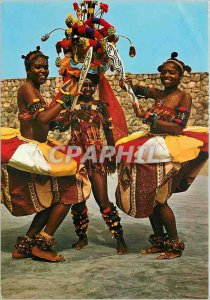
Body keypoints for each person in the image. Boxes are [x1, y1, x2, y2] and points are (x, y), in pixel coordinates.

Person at [1, 46, 91, 262]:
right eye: (38, 67)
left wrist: (70, 114)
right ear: (28, 69)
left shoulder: (35, 91)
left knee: (54, 197)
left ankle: (26, 246)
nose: (43, 71)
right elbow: (42, 119)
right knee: (72, 187)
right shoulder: (26, 89)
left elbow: (52, 123)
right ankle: (42, 243)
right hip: (32, 151)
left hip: (40, 147)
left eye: (45, 67)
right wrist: (63, 96)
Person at [117, 52, 208, 259]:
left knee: (160, 199)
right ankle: (159, 241)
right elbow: (137, 90)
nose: (167, 75)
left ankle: (174, 244)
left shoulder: (184, 97)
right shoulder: (159, 94)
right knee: (151, 197)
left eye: (172, 72)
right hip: (151, 146)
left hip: (169, 150)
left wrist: (146, 116)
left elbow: (178, 128)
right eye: (164, 71)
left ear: (180, 75)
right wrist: (127, 83)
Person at [57, 72, 128, 255]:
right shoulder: (70, 104)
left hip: (96, 155)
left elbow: (108, 132)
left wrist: (111, 155)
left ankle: (119, 238)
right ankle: (82, 237)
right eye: (85, 84)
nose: (88, 88)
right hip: (76, 156)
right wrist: (74, 114)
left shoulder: (100, 106)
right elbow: (62, 126)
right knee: (78, 199)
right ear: (79, 85)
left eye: (91, 85)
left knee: (102, 199)